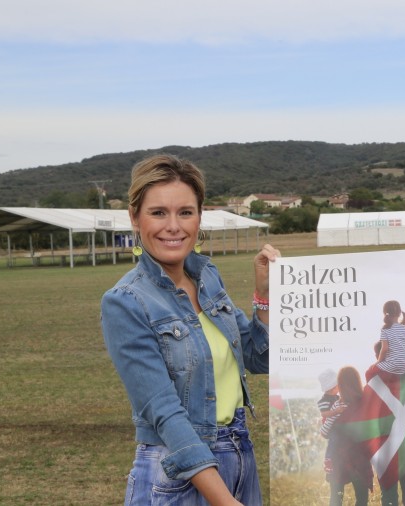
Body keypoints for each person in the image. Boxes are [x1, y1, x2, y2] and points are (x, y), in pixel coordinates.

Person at [101, 154, 280, 506]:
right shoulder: (125, 301)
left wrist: (264, 295)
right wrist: (225, 500)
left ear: (199, 217)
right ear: (135, 218)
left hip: (240, 454)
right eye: (158, 213)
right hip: (178, 475)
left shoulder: (207, 277)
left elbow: (260, 360)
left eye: (185, 212)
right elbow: (165, 413)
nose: (174, 226)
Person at [324, 367, 373, 506]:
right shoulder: (365, 404)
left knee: (336, 499)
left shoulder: (336, 406)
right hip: (360, 458)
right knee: (362, 500)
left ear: (341, 385)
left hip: (338, 457)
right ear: (357, 382)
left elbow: (325, 433)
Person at [374, 300, 405, 377]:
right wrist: (403, 354)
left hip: (394, 365)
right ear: (400, 313)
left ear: (385, 313)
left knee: (372, 370)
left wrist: (379, 361)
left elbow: (385, 348)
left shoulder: (385, 330)